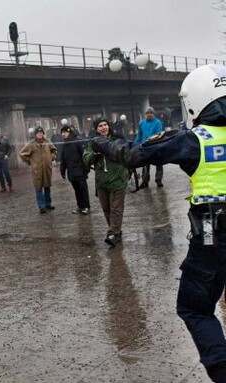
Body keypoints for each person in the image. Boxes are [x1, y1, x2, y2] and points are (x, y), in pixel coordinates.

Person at [91, 64, 226, 383]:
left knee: (195, 306)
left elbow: (136, 155)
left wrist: (103, 145)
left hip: (211, 227)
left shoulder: (194, 139)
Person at [83, 118, 129, 247]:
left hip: (118, 180)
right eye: (100, 126)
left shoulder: (117, 139)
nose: (103, 128)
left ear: (109, 126)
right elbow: (86, 159)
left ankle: (112, 232)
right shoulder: (93, 142)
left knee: (116, 209)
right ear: (96, 129)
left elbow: (125, 153)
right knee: (107, 209)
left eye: (105, 125)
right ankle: (116, 232)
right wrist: (96, 154)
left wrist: (108, 148)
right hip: (102, 182)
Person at [19, 127, 57, 214]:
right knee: (38, 188)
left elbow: (54, 150)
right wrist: (30, 162)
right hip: (37, 170)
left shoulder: (47, 142)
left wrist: (51, 157)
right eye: (38, 133)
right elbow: (22, 154)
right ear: (35, 134)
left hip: (47, 168)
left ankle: (48, 203)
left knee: (47, 186)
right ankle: (41, 206)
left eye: (41, 133)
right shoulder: (31, 144)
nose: (39, 134)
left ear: (43, 134)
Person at [59, 125, 91, 215]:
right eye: (62, 133)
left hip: (80, 171)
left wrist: (86, 168)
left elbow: (84, 155)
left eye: (65, 132)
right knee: (77, 190)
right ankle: (80, 206)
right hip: (72, 173)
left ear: (69, 132)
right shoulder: (65, 145)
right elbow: (63, 159)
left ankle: (86, 206)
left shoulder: (77, 141)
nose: (63, 134)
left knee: (83, 190)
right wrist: (62, 170)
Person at [135, 107, 164, 188]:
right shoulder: (141, 123)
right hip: (145, 146)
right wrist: (136, 143)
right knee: (145, 164)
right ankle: (145, 181)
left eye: (151, 113)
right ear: (145, 114)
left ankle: (158, 181)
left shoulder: (158, 122)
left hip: (155, 145)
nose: (149, 115)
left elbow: (158, 134)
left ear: (153, 114)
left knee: (159, 163)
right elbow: (139, 134)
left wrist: (153, 141)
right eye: (148, 113)